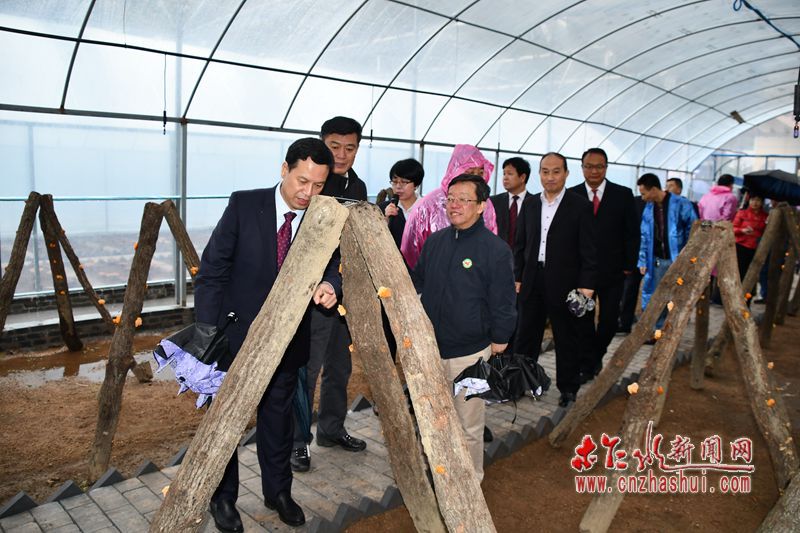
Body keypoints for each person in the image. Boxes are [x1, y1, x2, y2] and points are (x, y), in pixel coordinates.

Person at [194, 138, 340, 530]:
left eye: (318, 185)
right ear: (284, 169)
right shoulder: (244, 205)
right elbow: (212, 271)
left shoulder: (322, 215)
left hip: (287, 341)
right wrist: (207, 335)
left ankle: (278, 492)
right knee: (225, 422)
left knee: (278, 421)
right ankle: (223, 498)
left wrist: (330, 284)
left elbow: (333, 261)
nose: (308, 193)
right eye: (302, 181)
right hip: (234, 338)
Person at [412, 174, 517, 481]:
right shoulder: (435, 242)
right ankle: (437, 476)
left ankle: (470, 483)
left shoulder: (495, 250)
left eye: (463, 199)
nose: (454, 205)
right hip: (431, 349)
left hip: (471, 353)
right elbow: (418, 282)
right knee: (434, 420)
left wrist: (500, 339)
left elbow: (504, 300)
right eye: (451, 199)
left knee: (468, 424)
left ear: (481, 206)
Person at [292, 117, 368, 474]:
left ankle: (331, 429)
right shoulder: (315, 183)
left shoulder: (358, 186)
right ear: (323, 144)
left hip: (345, 292)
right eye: (334, 146)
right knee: (307, 368)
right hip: (314, 292)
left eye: (350, 147)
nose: (341, 154)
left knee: (340, 365)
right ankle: (298, 441)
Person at [514, 152, 597, 408]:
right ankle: (524, 382)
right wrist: (517, 276)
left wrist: (587, 285)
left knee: (566, 337)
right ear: (539, 174)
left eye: (556, 171)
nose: (550, 177)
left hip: (565, 282)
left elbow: (589, 249)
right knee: (526, 336)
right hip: (532, 279)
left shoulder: (580, 206)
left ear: (566, 174)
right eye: (545, 171)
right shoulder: (530, 204)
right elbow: (520, 244)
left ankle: (568, 388)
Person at [568, 148, 639, 379]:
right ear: (582, 168)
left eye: (599, 166)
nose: (594, 171)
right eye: (589, 166)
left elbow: (632, 233)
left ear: (606, 168)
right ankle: (587, 365)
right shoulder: (572, 195)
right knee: (583, 321)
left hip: (613, 271)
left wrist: (628, 264)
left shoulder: (623, 194)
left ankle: (595, 355)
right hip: (581, 272)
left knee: (609, 321)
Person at [401, 144, 498, 268]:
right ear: (455, 170)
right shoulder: (428, 204)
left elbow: (491, 241)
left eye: (480, 173)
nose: (475, 179)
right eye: (469, 172)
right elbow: (411, 246)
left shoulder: (486, 205)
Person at [637, 173, 697, 337]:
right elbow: (644, 235)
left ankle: (672, 332)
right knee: (655, 295)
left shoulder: (681, 203)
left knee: (677, 296)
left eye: (644, 193)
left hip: (678, 259)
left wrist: (689, 255)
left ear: (653, 189)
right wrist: (642, 260)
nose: (642, 197)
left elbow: (693, 229)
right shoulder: (649, 208)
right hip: (657, 260)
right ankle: (656, 331)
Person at [379, 158, 425, 249]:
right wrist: (385, 220)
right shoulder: (382, 208)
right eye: (395, 182)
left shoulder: (427, 209)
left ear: (416, 185)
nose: (398, 187)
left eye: (404, 182)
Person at [490, 157, 531, 248]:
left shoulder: (535, 203)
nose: (505, 178)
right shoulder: (493, 202)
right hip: (497, 253)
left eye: (510, 174)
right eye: (504, 174)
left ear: (522, 177)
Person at [732, 194, 767, 280]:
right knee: (738, 272)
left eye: (758, 200)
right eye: (753, 200)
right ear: (749, 201)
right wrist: (742, 230)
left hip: (756, 248)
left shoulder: (765, 216)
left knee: (750, 274)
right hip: (741, 246)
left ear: (762, 202)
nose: (755, 202)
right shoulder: (742, 213)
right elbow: (732, 229)